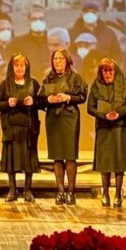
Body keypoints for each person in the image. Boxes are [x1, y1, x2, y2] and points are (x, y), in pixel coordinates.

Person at [39, 49, 87, 205]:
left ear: (67, 60)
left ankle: (71, 192)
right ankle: (60, 191)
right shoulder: (48, 78)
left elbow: (83, 96)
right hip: (53, 119)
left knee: (70, 155)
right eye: (55, 58)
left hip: (70, 117)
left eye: (60, 58)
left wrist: (68, 97)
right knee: (57, 155)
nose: (57, 61)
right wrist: (49, 100)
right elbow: (39, 98)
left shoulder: (75, 77)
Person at [0, 53, 42, 202]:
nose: (19, 68)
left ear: (26, 67)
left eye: (22, 66)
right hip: (11, 129)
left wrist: (33, 101)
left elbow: (42, 102)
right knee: (11, 161)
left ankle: (28, 190)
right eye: (16, 66)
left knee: (29, 161)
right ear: (12, 67)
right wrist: (8, 103)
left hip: (28, 129)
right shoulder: (5, 84)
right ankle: (12, 190)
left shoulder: (33, 83)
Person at [87, 58, 126, 208]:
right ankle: (105, 193)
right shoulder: (96, 85)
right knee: (105, 163)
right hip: (103, 127)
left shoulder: (125, 84)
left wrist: (119, 113)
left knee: (119, 162)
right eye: (105, 71)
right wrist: (104, 115)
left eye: (110, 71)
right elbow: (90, 107)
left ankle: (118, 194)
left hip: (120, 127)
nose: (108, 74)